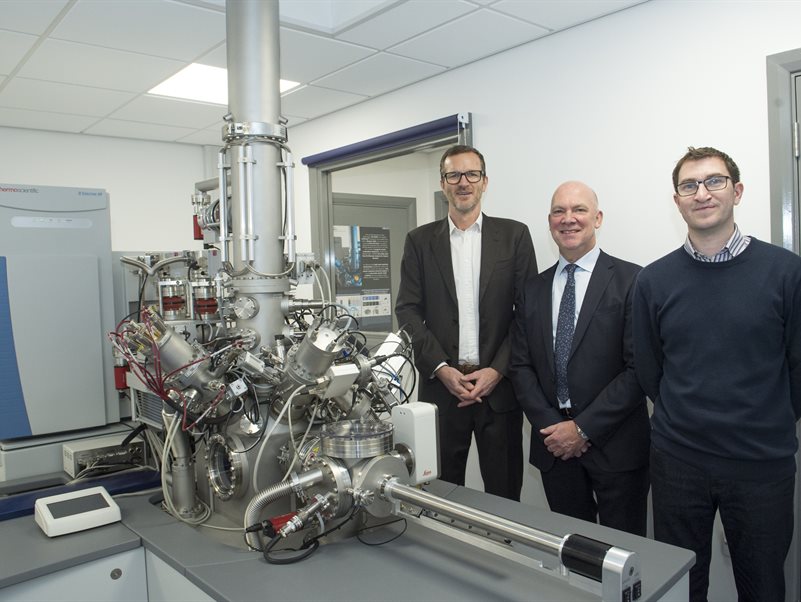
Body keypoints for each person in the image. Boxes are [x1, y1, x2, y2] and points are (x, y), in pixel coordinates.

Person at [633, 146, 801, 601]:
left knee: (763, 585)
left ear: (737, 191)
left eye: (714, 181)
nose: (701, 193)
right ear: (677, 200)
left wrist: (766, 418)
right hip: (678, 461)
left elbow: (797, 366)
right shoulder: (654, 280)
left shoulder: (786, 272)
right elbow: (649, 368)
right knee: (680, 585)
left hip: (761, 464)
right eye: (689, 185)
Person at [395, 144, 537, 501]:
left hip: (499, 392)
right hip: (443, 392)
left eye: (471, 174)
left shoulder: (514, 236)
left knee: (504, 494)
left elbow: (527, 313)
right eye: (453, 175)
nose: (463, 182)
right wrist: (441, 368)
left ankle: (503, 553)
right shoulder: (419, 241)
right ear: (442, 184)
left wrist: (497, 370)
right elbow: (408, 311)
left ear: (484, 181)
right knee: (441, 493)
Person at [508, 181, 649, 535]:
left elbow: (639, 369)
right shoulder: (532, 289)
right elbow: (521, 366)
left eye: (579, 210)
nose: (568, 219)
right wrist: (554, 429)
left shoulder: (634, 280)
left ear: (597, 218)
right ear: (550, 221)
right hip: (554, 446)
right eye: (559, 211)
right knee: (573, 553)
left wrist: (583, 429)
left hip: (616, 447)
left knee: (623, 555)